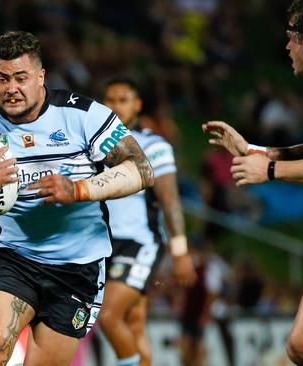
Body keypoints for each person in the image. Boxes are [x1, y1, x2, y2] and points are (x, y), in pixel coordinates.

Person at [0, 31, 154, 366]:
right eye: (2, 79)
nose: (11, 88)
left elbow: (142, 169)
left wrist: (78, 190)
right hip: (14, 257)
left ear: (41, 76)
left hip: (79, 266)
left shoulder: (85, 115)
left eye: (21, 78)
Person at [202, 1, 303, 364]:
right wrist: (256, 152)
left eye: (291, 38)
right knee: (301, 345)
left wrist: (267, 173)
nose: (286, 47)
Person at [96, 78, 197, 366]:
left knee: (109, 316)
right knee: (134, 321)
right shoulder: (94, 144)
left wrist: (180, 251)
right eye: (109, 100)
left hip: (138, 242)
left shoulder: (154, 145)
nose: (115, 106)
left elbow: (170, 200)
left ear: (137, 104)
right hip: (101, 242)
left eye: (123, 99)